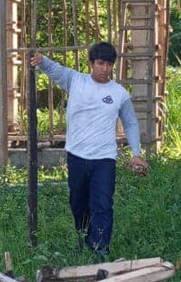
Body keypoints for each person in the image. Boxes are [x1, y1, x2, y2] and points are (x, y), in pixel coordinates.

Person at [30, 41, 149, 258]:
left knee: (102, 204)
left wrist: (136, 153)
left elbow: (130, 123)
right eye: (100, 63)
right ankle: (83, 240)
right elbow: (55, 70)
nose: (105, 69)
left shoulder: (119, 93)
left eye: (109, 64)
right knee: (78, 203)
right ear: (91, 63)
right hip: (77, 156)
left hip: (105, 159)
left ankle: (100, 249)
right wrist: (41, 61)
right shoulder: (76, 81)